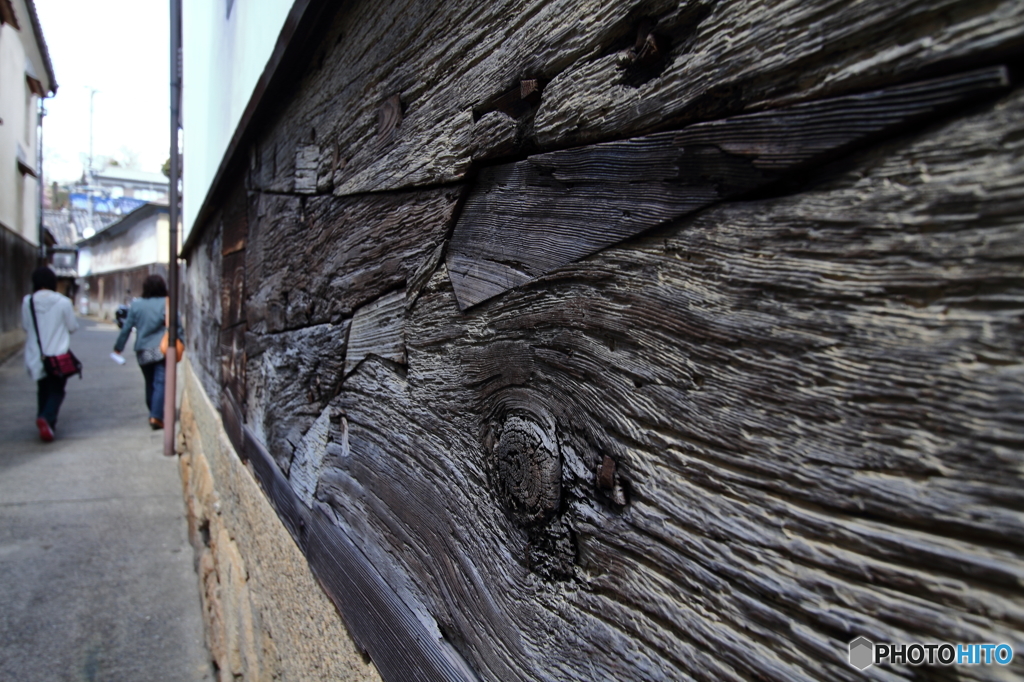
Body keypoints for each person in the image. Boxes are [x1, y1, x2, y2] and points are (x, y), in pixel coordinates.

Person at [113, 274, 184, 430]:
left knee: (149, 382)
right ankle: (156, 415)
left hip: (142, 349)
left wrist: (119, 347)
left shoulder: (136, 305)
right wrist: (182, 342)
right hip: (161, 349)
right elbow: (176, 326)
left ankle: (154, 411)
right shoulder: (166, 303)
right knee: (160, 382)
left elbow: (126, 328)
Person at [22, 266, 79, 442]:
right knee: (57, 391)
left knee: (43, 389)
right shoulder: (63, 302)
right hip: (57, 355)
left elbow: (26, 326)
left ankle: (45, 424)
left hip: (36, 354)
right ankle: (46, 419)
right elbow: (72, 327)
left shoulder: (28, 301)